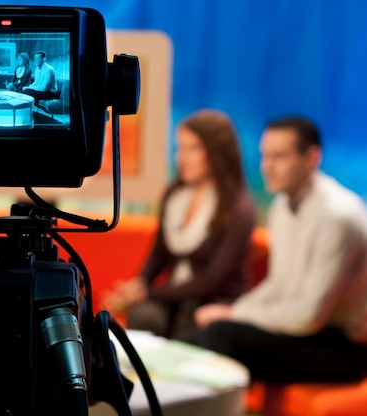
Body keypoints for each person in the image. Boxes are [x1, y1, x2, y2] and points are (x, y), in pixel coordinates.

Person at [188, 116, 367, 384]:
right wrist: (233, 311)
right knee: (196, 334)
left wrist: (235, 314)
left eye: (279, 156)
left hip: (341, 347)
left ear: (312, 158)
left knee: (222, 335)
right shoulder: (281, 207)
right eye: (264, 156)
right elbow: (279, 285)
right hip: (304, 333)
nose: (267, 167)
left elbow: (310, 316)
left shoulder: (336, 216)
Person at [103, 109, 256, 339]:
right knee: (144, 317)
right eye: (179, 148)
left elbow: (211, 281)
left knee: (190, 325)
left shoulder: (239, 208)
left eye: (193, 149)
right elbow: (158, 254)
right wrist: (140, 284)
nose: (182, 158)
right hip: (173, 295)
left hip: (213, 299)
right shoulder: (174, 195)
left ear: (217, 152)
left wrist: (149, 293)